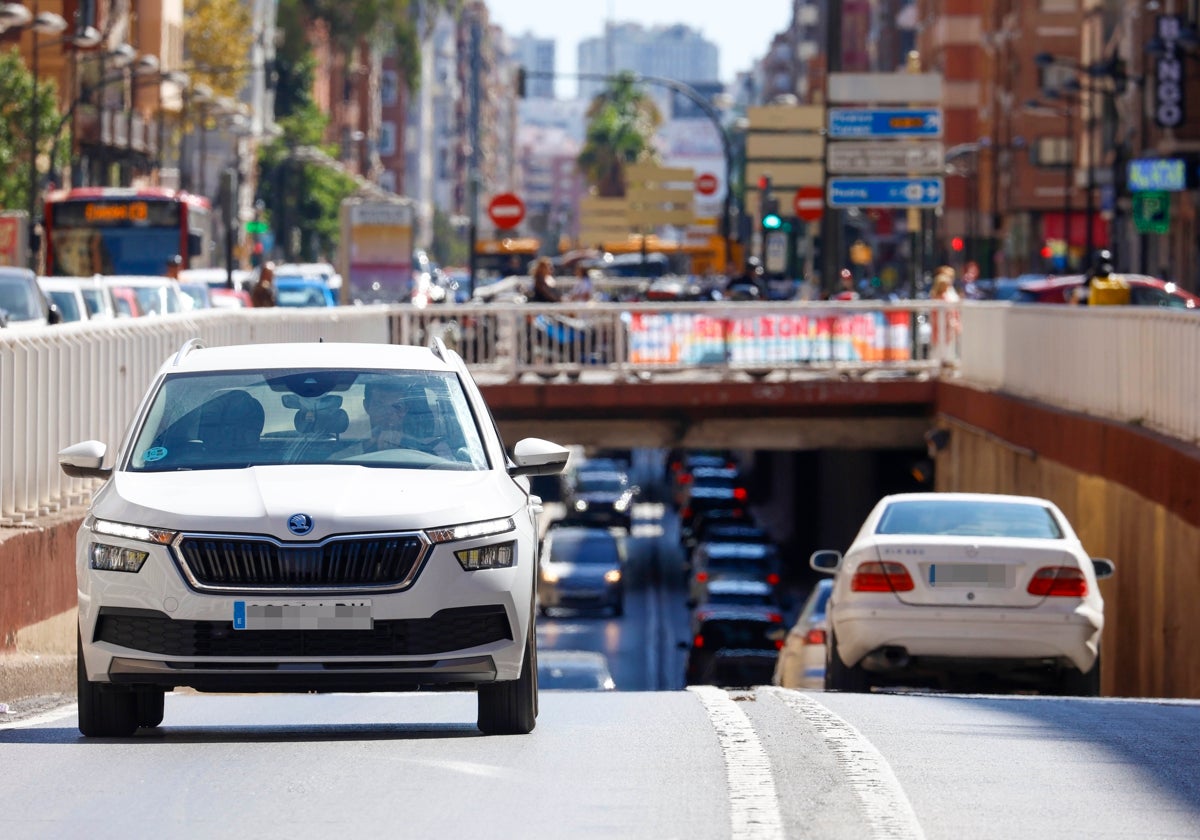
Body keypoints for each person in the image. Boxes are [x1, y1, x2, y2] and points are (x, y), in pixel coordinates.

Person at [929, 265, 961, 361]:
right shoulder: (939, 296)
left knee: (948, 352)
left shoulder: (950, 292)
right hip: (942, 328)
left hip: (948, 328)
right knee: (940, 352)